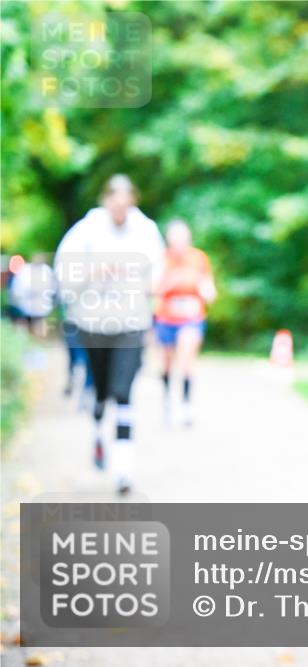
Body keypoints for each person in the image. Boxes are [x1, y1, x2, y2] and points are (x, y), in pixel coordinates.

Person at [55, 174, 165, 495]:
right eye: (115, 203)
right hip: (93, 325)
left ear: (132, 201)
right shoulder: (84, 232)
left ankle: (123, 467)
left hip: (130, 324)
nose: (120, 210)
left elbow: (159, 273)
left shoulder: (146, 232)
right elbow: (64, 278)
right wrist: (94, 273)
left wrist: (146, 286)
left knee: (123, 391)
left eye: (125, 203)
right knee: (102, 390)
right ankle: (98, 432)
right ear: (105, 200)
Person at [154, 219, 215, 426]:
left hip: (191, 317)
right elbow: (153, 288)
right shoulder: (161, 259)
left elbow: (207, 284)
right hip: (166, 318)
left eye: (183, 238)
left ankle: (186, 404)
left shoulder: (198, 258)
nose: (179, 242)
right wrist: (171, 283)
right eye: (175, 238)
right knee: (167, 363)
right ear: (169, 239)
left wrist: (207, 291)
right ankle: (167, 401)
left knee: (187, 359)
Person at [8, 253, 56, 338]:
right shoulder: (25, 270)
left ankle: (39, 341)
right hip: (26, 305)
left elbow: (51, 287)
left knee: (39, 328)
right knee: (27, 328)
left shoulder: (46, 270)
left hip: (41, 305)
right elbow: (19, 287)